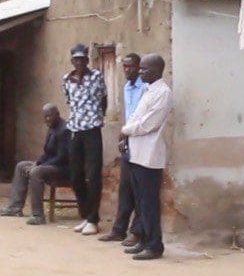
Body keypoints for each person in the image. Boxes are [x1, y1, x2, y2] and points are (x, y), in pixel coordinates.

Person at [121, 54, 172, 260]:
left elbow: (147, 124)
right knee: (140, 202)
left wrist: (125, 130)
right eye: (140, 69)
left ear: (157, 71)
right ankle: (143, 239)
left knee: (150, 203)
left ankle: (154, 245)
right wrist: (127, 129)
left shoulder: (163, 93)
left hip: (149, 156)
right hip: (136, 153)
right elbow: (135, 116)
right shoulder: (148, 91)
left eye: (144, 69)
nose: (140, 72)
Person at [99, 53, 147, 245]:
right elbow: (128, 116)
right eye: (125, 67)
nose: (128, 70)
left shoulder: (146, 88)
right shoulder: (127, 88)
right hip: (128, 141)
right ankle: (119, 230)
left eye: (132, 67)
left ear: (139, 67)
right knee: (125, 188)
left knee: (140, 191)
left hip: (142, 142)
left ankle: (137, 231)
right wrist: (123, 136)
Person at [0, 104, 70, 224]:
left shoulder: (64, 130)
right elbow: (47, 153)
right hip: (51, 164)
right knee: (22, 166)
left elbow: (62, 157)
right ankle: (15, 207)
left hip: (63, 168)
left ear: (57, 114)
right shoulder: (51, 127)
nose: (47, 119)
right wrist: (38, 162)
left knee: (36, 172)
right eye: (45, 116)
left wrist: (39, 166)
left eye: (50, 116)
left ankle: (38, 215)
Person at [62, 43, 107, 236]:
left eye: (83, 59)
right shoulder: (66, 79)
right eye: (76, 59)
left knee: (93, 174)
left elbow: (104, 100)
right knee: (75, 175)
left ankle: (93, 219)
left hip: (92, 130)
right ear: (72, 61)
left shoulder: (96, 76)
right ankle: (86, 214)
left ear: (87, 60)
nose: (79, 62)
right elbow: (69, 102)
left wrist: (97, 118)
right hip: (74, 129)